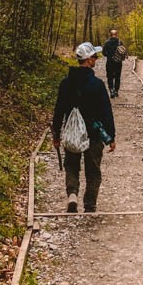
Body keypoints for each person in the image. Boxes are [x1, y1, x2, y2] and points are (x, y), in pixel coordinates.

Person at [52, 42, 116, 213]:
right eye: (94, 56)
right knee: (93, 169)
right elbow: (106, 112)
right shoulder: (97, 84)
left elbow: (59, 110)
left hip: (72, 133)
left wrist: (56, 134)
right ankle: (89, 203)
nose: (96, 59)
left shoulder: (65, 84)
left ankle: (72, 194)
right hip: (93, 134)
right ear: (88, 60)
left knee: (71, 165)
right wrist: (111, 136)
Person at [102, 28, 125, 97]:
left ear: (110, 35)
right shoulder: (120, 42)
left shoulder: (107, 42)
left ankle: (111, 90)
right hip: (118, 62)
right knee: (117, 77)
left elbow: (103, 53)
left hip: (110, 62)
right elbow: (123, 51)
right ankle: (116, 91)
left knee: (110, 76)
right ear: (116, 34)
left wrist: (109, 55)